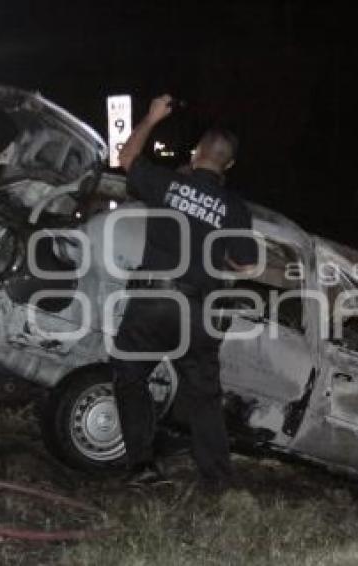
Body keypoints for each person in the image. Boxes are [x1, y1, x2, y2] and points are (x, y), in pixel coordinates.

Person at [113, 94, 258, 487]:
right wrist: (222, 261)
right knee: (204, 398)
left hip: (152, 301)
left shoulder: (167, 182)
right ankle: (218, 481)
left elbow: (125, 157)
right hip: (197, 312)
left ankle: (142, 466)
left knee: (129, 376)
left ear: (196, 154)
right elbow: (247, 265)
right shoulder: (234, 208)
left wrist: (151, 117)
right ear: (227, 166)